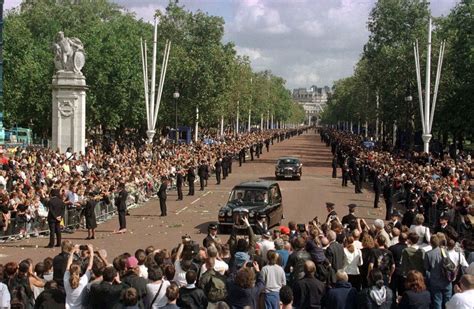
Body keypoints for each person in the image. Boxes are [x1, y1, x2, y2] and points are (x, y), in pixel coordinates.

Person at [424, 234, 452, 309]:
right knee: (448, 302)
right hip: (446, 280)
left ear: (430, 243)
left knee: (437, 302)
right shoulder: (445, 251)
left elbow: (426, 268)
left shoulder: (428, 254)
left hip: (435, 281)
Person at [64, 244, 94, 309]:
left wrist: (72, 251)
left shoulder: (66, 280)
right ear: (79, 272)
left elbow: (68, 265)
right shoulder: (83, 281)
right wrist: (91, 251)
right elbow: (90, 266)